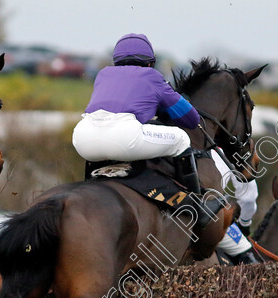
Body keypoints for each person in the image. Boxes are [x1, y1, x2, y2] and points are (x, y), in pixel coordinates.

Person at [72, 33, 205, 196]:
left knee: (99, 148)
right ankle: (196, 201)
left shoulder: (103, 74)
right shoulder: (153, 76)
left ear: (116, 61)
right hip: (124, 137)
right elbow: (192, 119)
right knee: (182, 138)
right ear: (150, 63)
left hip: (82, 138)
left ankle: (89, 189)